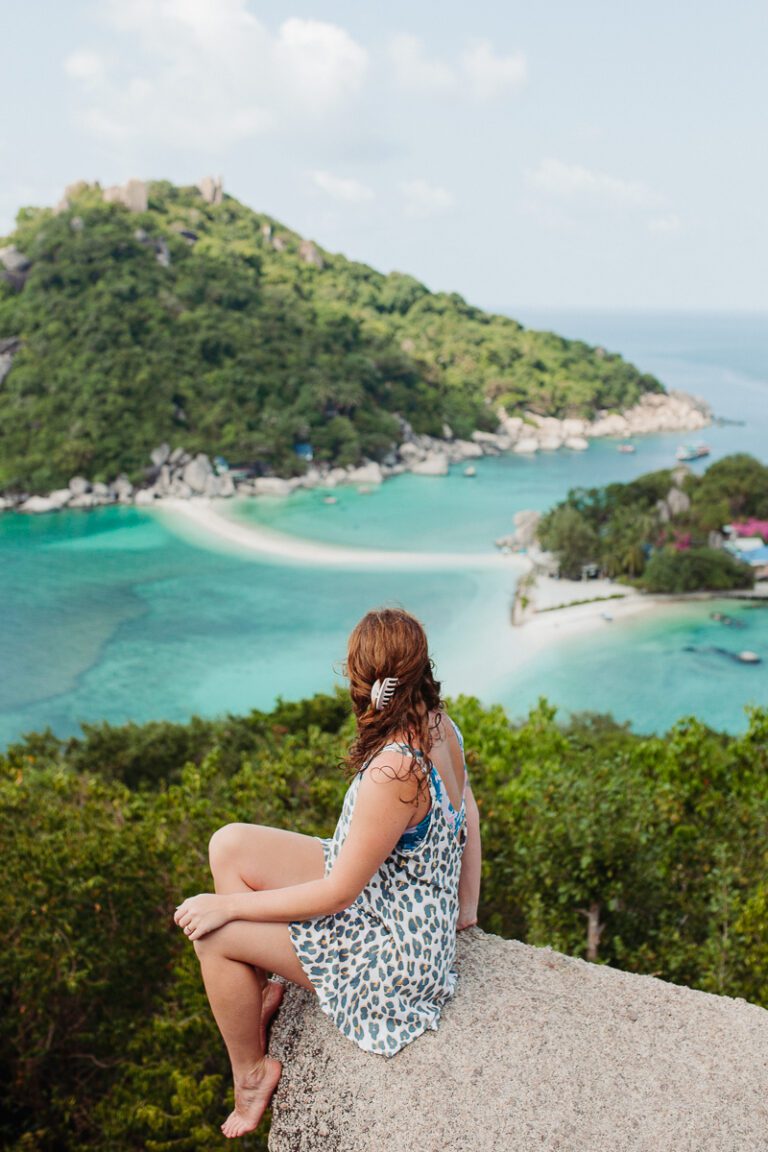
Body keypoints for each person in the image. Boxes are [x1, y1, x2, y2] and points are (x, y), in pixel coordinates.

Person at [174, 607, 482, 1139]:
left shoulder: (395, 766)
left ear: (363, 684)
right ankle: (262, 982)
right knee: (229, 846)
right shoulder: (440, 725)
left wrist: (227, 906)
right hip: (394, 895)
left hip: (392, 948)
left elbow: (339, 893)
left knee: (215, 936)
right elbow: (469, 811)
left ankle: (251, 1074)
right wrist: (465, 905)